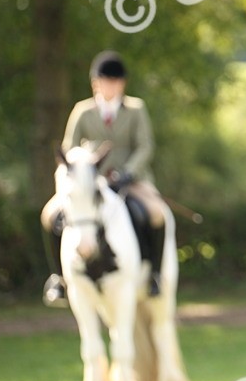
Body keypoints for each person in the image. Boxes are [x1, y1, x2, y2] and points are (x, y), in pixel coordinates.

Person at [40, 50, 168, 306]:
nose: (111, 86)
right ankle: (58, 278)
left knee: (156, 214)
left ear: (123, 83)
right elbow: (68, 150)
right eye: (106, 81)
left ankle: (154, 274)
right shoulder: (82, 111)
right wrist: (81, 173)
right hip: (90, 184)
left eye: (115, 81)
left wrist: (128, 172)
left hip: (129, 181)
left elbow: (145, 147)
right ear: (95, 83)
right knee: (49, 215)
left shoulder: (136, 109)